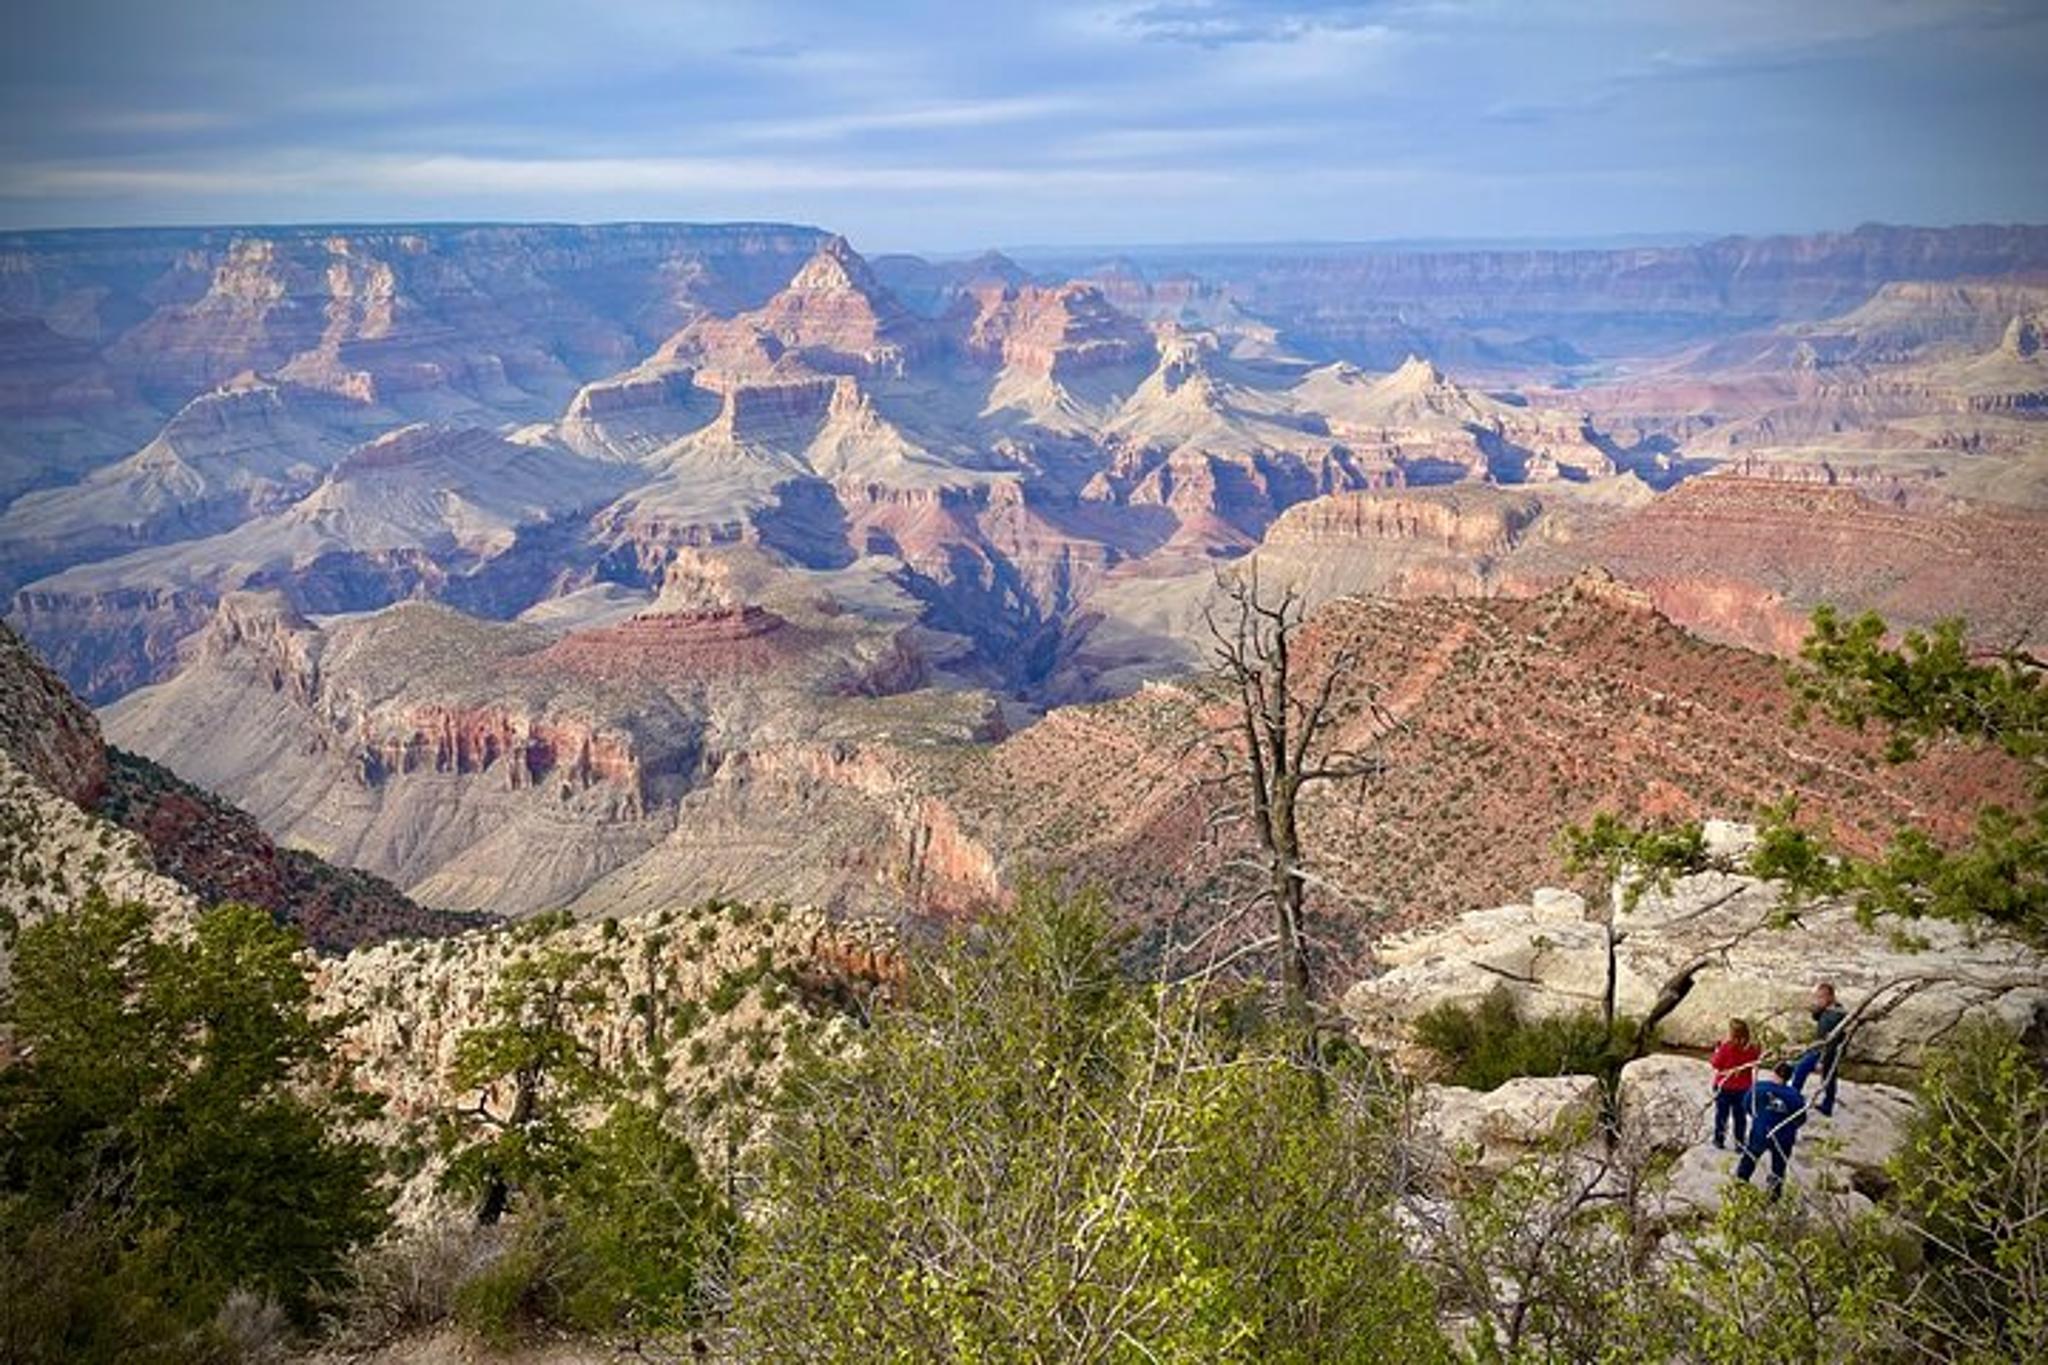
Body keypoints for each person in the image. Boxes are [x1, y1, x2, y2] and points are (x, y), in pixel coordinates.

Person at [1734, 1060, 1808, 1198]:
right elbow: (1801, 1118)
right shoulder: (1795, 1096)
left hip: (1760, 1131)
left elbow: (1746, 1105)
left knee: (1750, 1158)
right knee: (1778, 1166)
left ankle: (1740, 1183)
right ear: (1789, 1078)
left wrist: (1758, 1117)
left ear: (1773, 1073)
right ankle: (1774, 1194)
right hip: (1784, 1136)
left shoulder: (1759, 1087)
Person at [1788, 981, 1847, 1117]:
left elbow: (1831, 1042)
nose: (1818, 1000)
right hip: (1821, 1048)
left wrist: (1822, 1060)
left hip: (1827, 1051)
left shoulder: (1836, 1015)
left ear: (1831, 997)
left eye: (1821, 997)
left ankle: (1793, 1100)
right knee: (1828, 1078)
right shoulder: (1829, 1009)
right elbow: (1816, 1017)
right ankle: (1827, 1105)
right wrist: (1817, 1008)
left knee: (1802, 1069)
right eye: (1817, 997)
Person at [1708, 1018, 1762, 1149]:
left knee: (1722, 1115)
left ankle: (1719, 1139)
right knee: (1740, 1117)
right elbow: (1756, 1060)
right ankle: (1739, 1142)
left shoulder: (1726, 1048)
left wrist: (1717, 1050)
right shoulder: (1752, 1049)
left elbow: (1716, 1064)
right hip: (1743, 1088)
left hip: (1724, 1086)